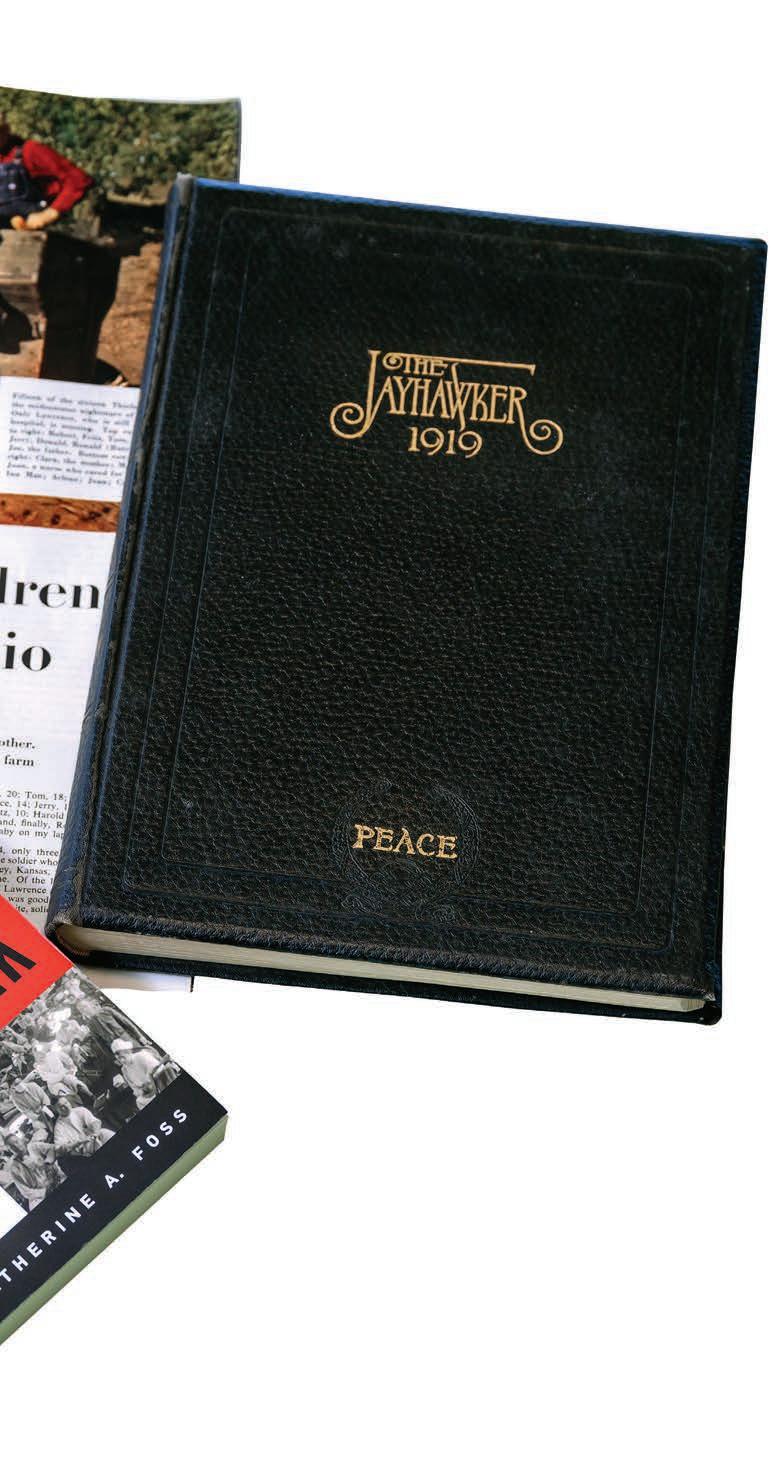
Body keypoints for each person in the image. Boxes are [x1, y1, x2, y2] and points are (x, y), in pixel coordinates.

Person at [0, 112, 93, 231]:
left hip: (28, 227)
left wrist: (50, 213)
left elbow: (79, 179)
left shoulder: (31, 150)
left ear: (5, 130)